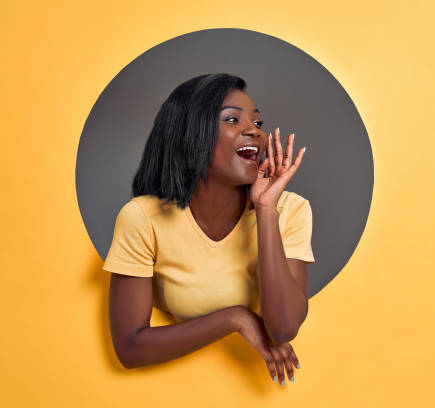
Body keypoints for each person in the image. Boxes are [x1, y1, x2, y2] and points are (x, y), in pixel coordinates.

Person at [102, 73, 315, 387]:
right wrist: (234, 317)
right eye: (232, 119)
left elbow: (283, 329)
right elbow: (130, 348)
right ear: (190, 133)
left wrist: (267, 210)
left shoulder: (291, 210)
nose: (254, 132)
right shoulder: (142, 218)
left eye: (258, 123)